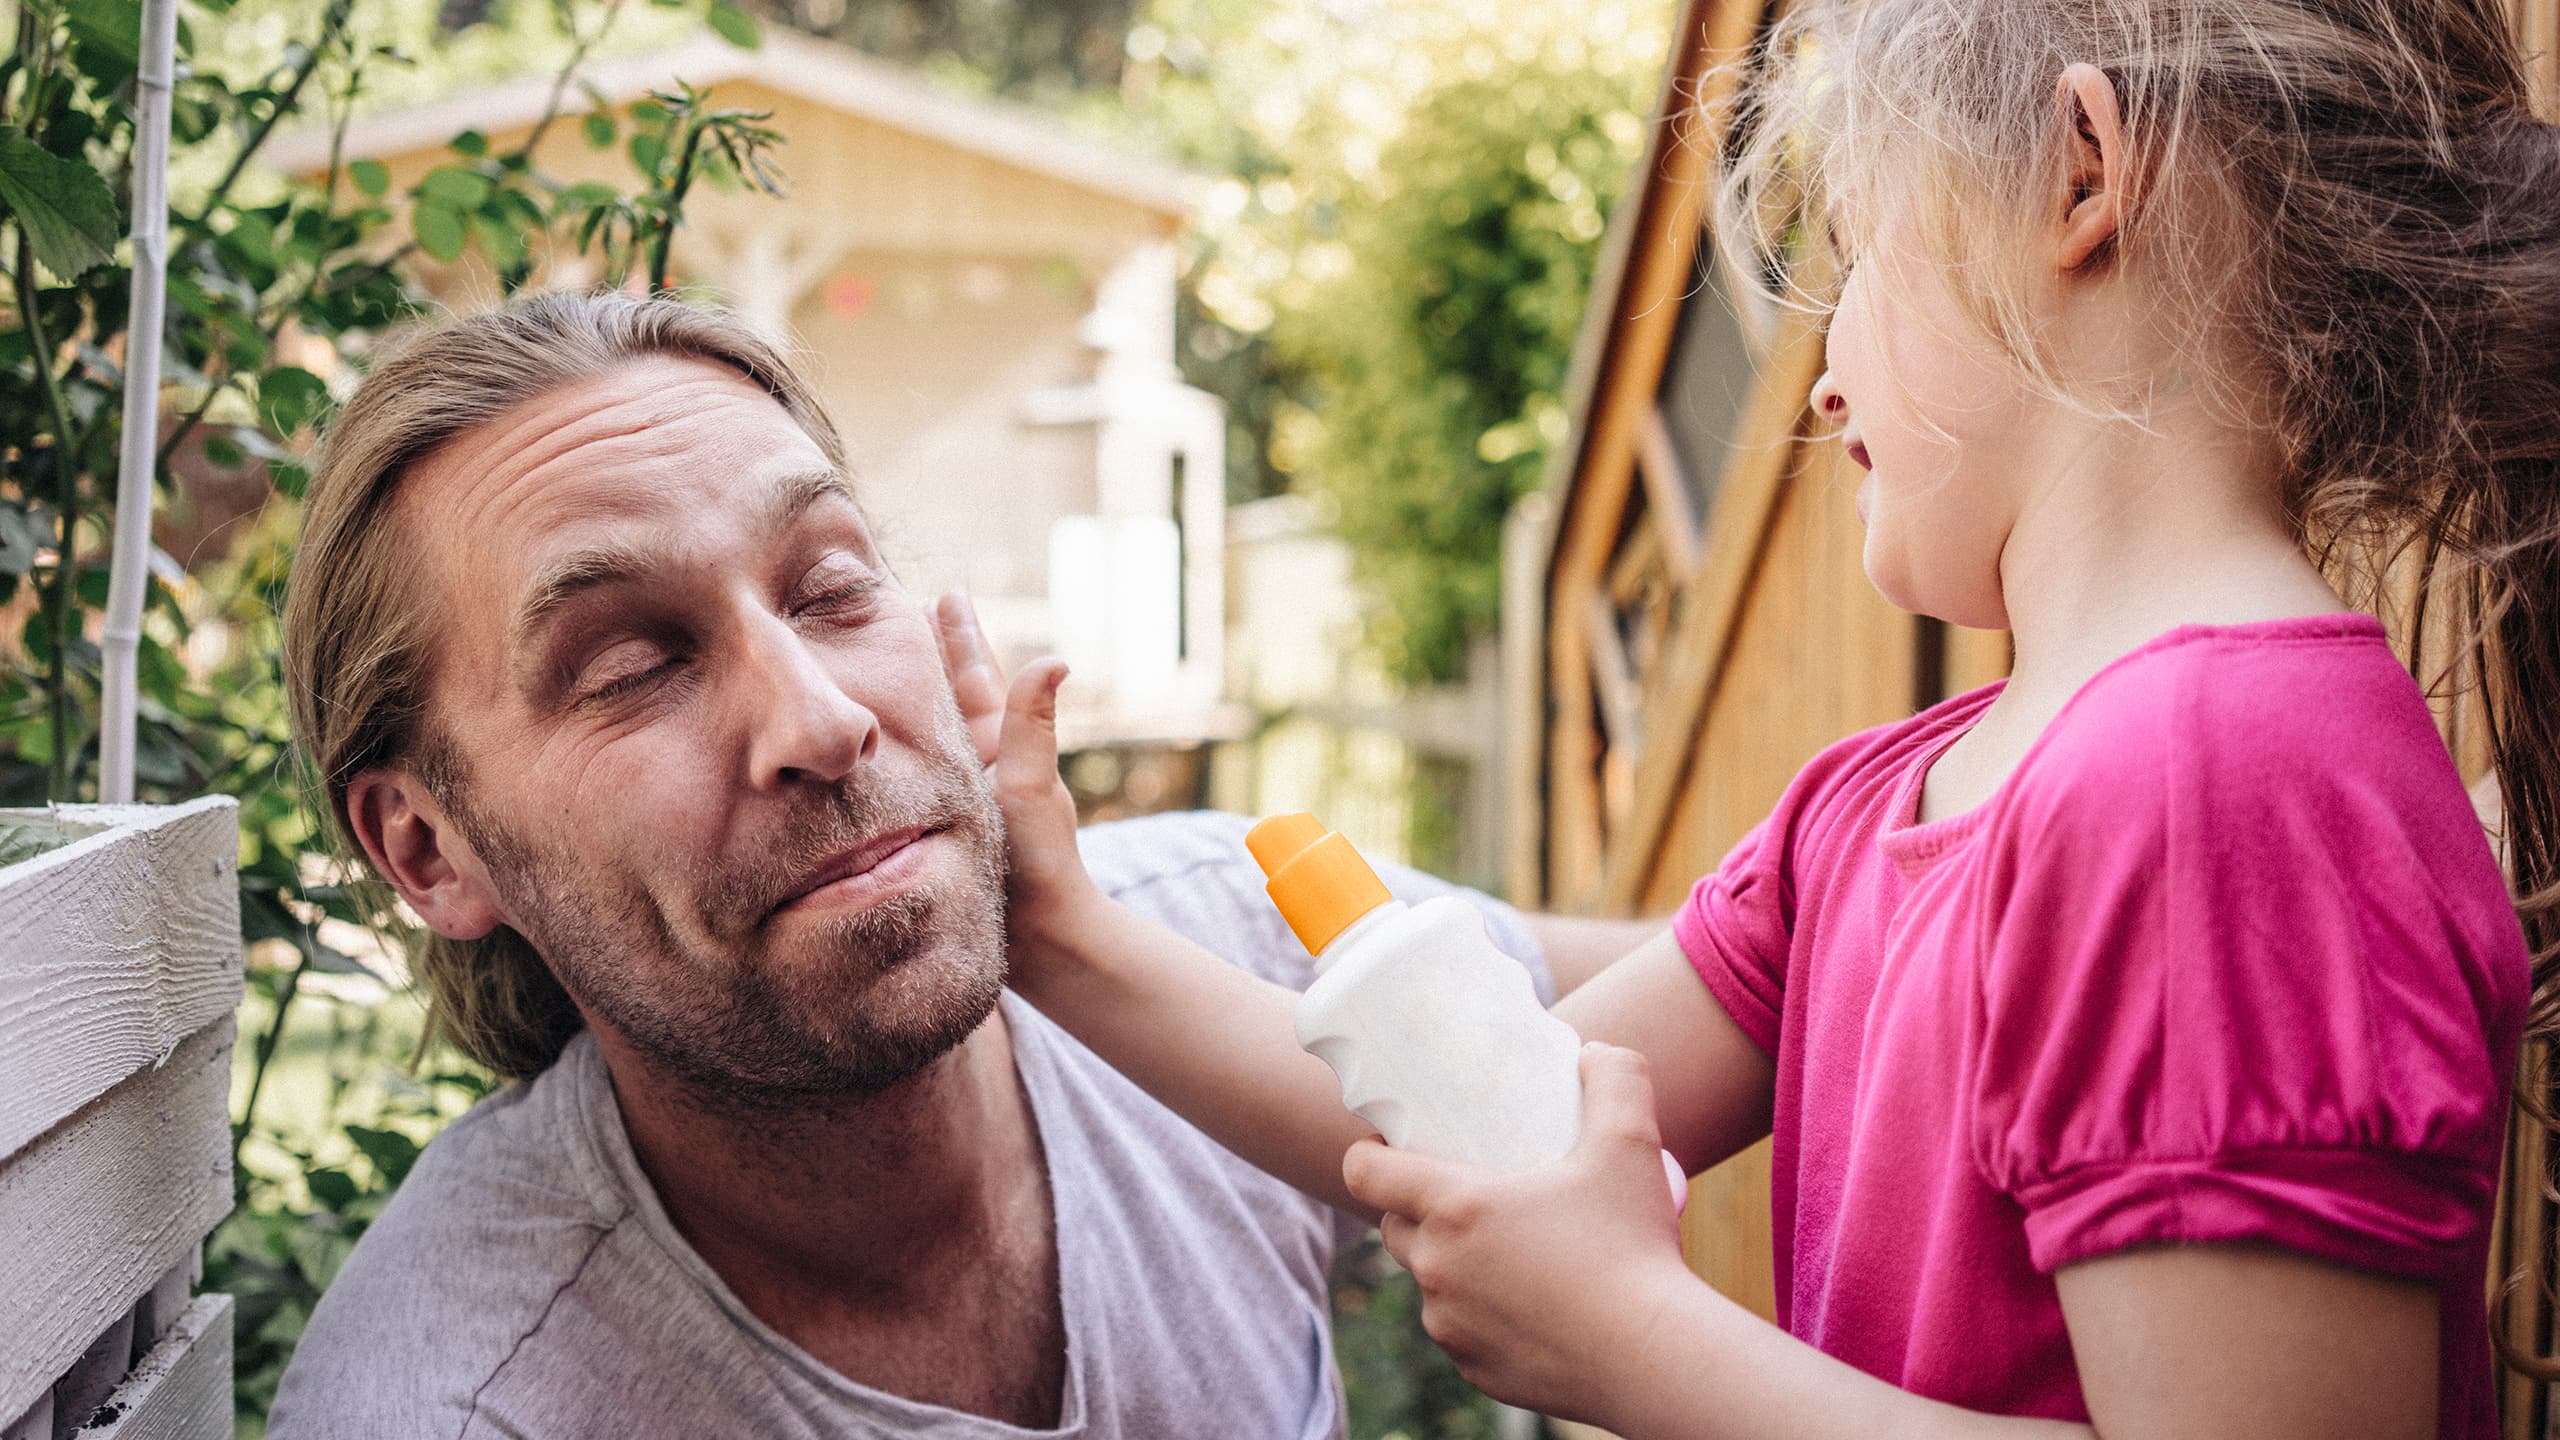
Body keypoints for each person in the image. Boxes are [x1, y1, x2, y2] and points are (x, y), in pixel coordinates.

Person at [984, 1, 2560, 1435]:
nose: (1817, 385)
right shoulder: (1880, 803)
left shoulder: (2228, 780)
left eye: (1859, 251)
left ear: (2079, 175)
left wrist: (1637, 1341)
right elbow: (1477, 1104)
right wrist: (1058, 935)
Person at [262, 293, 1649, 1439]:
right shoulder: (455, 1407)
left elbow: (1769, 992)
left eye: (831, 589)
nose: (819, 716)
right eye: (633, 667)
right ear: (427, 849)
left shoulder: (1211, 936)